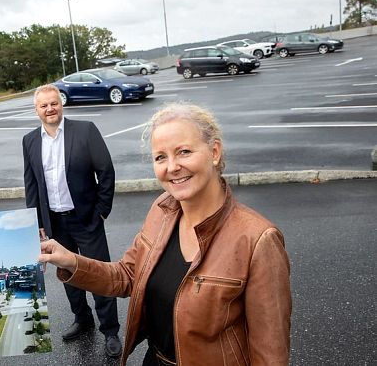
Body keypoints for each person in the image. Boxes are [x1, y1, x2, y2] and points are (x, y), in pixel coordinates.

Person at [39, 103, 292, 366]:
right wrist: (69, 260)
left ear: (214, 152)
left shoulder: (258, 239)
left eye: (184, 152)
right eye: (160, 157)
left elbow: (270, 354)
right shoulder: (162, 211)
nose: (172, 167)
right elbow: (127, 276)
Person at [22, 84, 122, 357]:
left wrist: (102, 209)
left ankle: (110, 330)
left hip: (86, 218)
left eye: (53, 103)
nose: (49, 109)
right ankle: (83, 319)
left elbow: (106, 171)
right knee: (69, 275)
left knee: (100, 274)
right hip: (55, 222)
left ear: (60, 104)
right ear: (36, 110)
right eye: (43, 105)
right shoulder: (30, 141)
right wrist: (36, 222)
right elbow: (31, 185)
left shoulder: (85, 130)